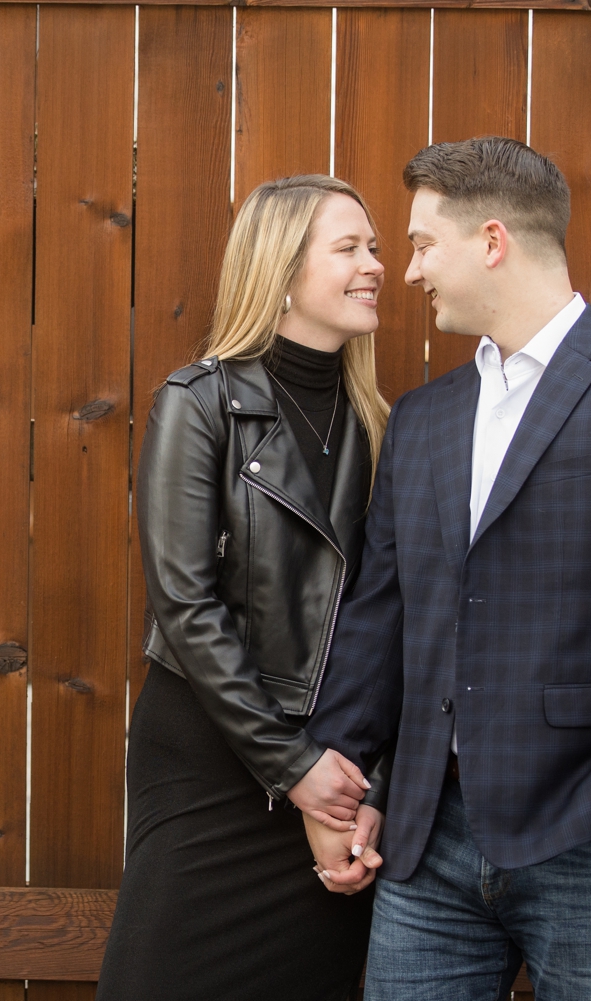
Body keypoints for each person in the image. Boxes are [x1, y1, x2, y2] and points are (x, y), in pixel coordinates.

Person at [302, 137, 591, 1000]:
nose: (411, 270)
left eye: (425, 244)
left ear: (493, 241)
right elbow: (381, 611)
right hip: (428, 840)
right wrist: (342, 786)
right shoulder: (427, 418)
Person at [95, 175, 395, 1001]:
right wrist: (292, 767)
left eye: (375, 246)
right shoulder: (199, 403)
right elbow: (186, 605)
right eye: (349, 248)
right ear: (282, 269)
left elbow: (393, 624)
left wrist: (363, 788)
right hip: (209, 757)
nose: (376, 265)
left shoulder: (383, 426)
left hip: (333, 767)